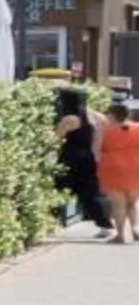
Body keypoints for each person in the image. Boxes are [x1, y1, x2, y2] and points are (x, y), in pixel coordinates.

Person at [54, 88, 108, 233]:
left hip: (71, 157)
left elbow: (55, 139)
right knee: (89, 193)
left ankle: (51, 220)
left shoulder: (69, 119)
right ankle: (105, 225)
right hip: (89, 158)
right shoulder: (95, 116)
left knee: (58, 188)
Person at [98, 99, 139, 244]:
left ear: (113, 116)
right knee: (132, 202)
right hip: (135, 167)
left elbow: (95, 150)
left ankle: (121, 235)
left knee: (118, 205)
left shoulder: (105, 129)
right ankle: (135, 229)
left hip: (112, 167)